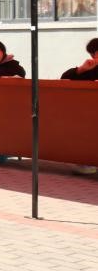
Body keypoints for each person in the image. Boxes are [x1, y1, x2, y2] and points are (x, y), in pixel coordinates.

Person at [60, 37, 98, 175]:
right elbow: (64, 78)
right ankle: (86, 161)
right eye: (94, 54)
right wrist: (81, 69)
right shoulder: (91, 69)